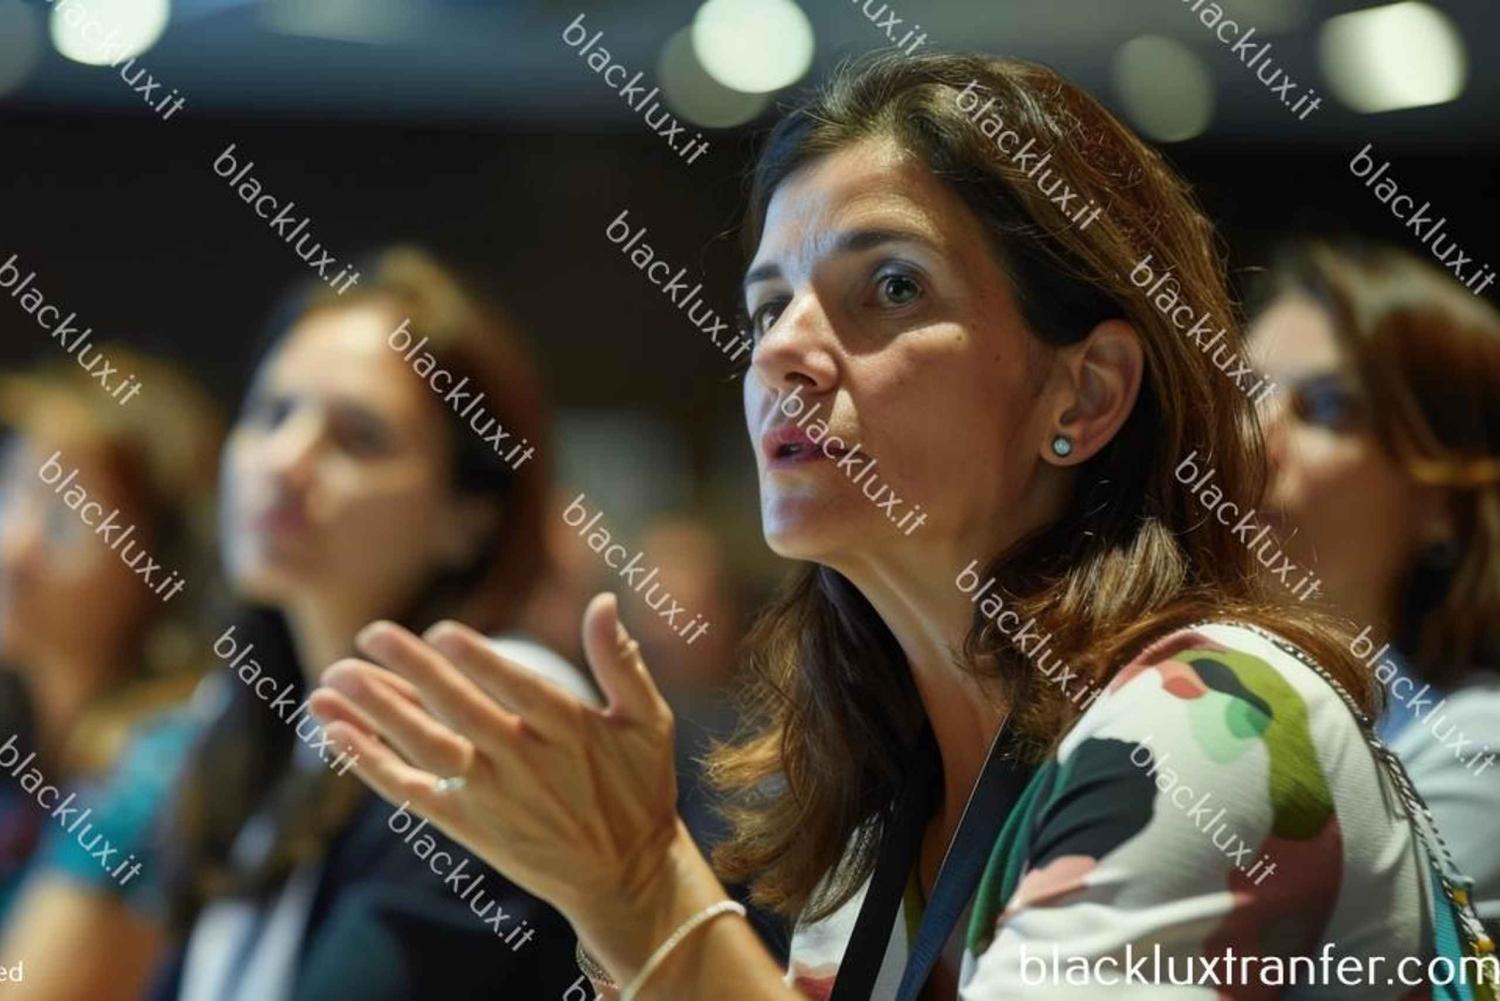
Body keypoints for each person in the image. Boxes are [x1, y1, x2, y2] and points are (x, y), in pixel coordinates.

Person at [307, 53, 1491, 999]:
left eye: (890, 287)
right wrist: (622, 894)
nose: (783, 350)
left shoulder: (1211, 725)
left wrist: (640, 887)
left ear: (1084, 395)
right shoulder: (882, 806)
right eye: (768, 305)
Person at [1248, 240, 1500, 931]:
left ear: (1443, 501)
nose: (1251, 440)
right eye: (1241, 394)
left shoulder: (1473, 749)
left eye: (1327, 408)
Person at [0, 348, 224, 1000]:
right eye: (12, 494)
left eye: (65, 519)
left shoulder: (158, 761)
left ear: (157, 563)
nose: (15, 548)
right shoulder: (32, 760)